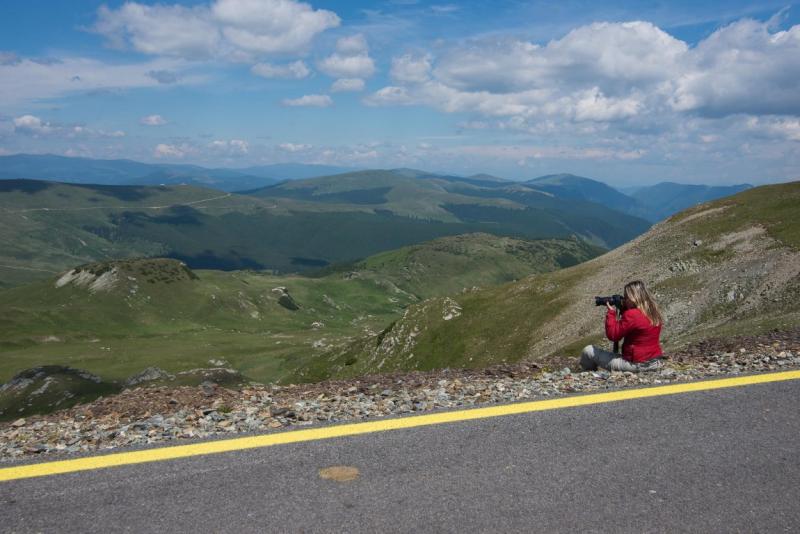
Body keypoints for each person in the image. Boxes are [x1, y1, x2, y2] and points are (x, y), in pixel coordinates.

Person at [580, 280, 665, 372]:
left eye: (626, 297)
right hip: (655, 362)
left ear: (633, 298)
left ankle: (588, 373)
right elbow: (637, 324)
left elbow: (613, 335)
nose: (624, 300)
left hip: (636, 365)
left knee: (588, 351)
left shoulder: (632, 314)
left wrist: (611, 312)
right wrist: (624, 310)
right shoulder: (653, 312)